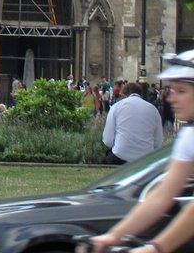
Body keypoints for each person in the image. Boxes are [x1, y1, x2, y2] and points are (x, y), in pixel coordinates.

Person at [82, 50, 194, 253]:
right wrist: (113, 236)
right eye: (172, 90)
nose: (171, 98)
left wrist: (156, 248)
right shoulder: (189, 135)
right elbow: (162, 195)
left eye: (182, 91)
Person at [101, 81, 164, 165]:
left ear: (123, 95)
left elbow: (107, 140)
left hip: (120, 156)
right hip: (145, 156)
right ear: (140, 94)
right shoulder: (153, 109)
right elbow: (158, 142)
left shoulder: (116, 107)